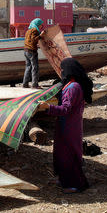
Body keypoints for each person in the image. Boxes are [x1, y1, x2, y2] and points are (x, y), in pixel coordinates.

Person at [37, 57, 93, 193]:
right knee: (62, 153)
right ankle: (64, 179)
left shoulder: (73, 87)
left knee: (69, 154)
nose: (61, 71)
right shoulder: (71, 85)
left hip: (69, 126)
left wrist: (47, 107)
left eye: (62, 69)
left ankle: (74, 185)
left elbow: (65, 109)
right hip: (67, 124)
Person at [23, 18, 44, 89]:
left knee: (28, 67)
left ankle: (25, 84)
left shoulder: (28, 30)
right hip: (32, 51)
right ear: (37, 24)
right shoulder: (35, 30)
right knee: (35, 68)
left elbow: (29, 41)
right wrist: (41, 35)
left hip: (26, 50)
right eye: (41, 25)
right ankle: (35, 85)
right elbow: (33, 40)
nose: (41, 26)